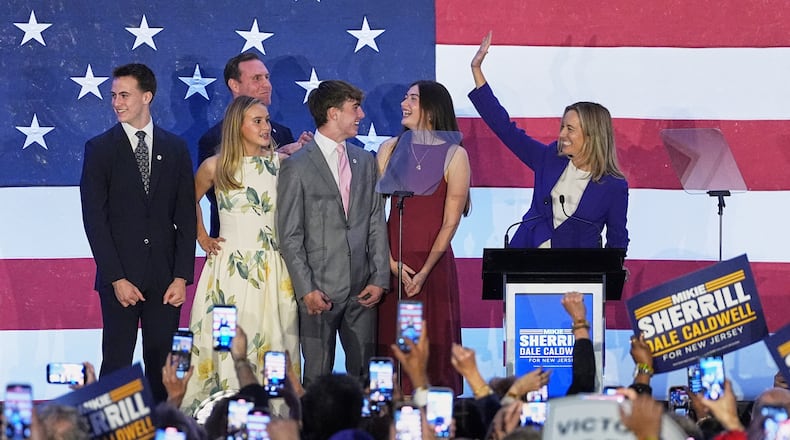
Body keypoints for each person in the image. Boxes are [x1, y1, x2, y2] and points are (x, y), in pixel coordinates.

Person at [80, 63, 196, 403]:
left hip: (164, 280)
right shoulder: (100, 149)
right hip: (120, 280)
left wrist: (180, 277)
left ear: (147, 96)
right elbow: (94, 221)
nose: (117, 102)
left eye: (125, 95)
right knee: (116, 364)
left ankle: (163, 429)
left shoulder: (175, 148)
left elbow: (186, 217)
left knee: (162, 367)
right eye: (114, 95)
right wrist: (116, 278)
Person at [181, 96, 299, 413]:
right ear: (238, 126)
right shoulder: (215, 166)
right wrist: (202, 237)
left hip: (272, 269)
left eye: (266, 120)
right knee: (224, 344)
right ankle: (216, 416)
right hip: (228, 272)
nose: (266, 126)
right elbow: (185, 201)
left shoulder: (281, 165)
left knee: (273, 342)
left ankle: (273, 418)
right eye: (257, 121)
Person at [469, 32, 629, 250]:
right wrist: (477, 71)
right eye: (562, 126)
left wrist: (613, 272)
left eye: (570, 129)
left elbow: (617, 240)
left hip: (575, 275)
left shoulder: (613, 186)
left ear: (592, 137)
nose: (561, 134)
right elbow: (506, 129)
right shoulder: (549, 158)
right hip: (526, 260)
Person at [277, 80, 389, 387]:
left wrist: (379, 279)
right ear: (333, 113)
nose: (362, 115)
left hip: (362, 292)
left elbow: (376, 221)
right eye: (355, 108)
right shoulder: (296, 166)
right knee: (315, 378)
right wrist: (306, 289)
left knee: (365, 378)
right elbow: (289, 234)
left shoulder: (365, 161)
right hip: (319, 293)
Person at [375, 80, 470, 393]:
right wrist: (387, 261)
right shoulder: (389, 149)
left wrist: (426, 271)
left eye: (412, 98)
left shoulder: (454, 156)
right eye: (405, 97)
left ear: (430, 110)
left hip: (432, 267)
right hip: (393, 265)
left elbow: (450, 222)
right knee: (393, 351)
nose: (405, 103)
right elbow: (375, 214)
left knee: (433, 350)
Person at [199, 52, 313, 239]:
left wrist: (305, 157)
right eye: (257, 78)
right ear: (234, 85)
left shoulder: (282, 133)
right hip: (234, 243)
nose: (266, 84)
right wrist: (274, 156)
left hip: (279, 242)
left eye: (267, 77)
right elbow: (222, 197)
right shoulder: (214, 138)